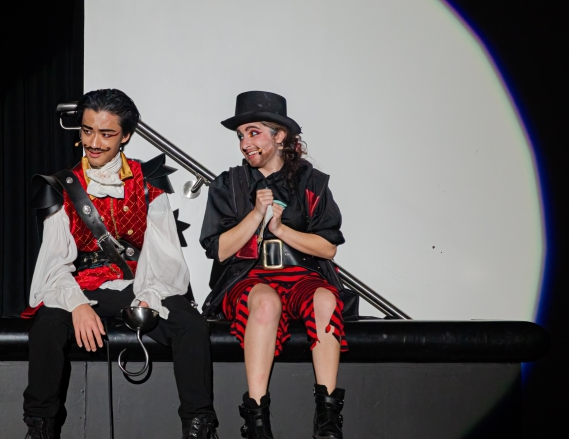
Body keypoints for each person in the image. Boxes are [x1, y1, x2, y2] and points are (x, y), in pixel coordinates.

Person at [22, 89, 218, 439]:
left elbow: (165, 254)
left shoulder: (149, 183)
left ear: (126, 135)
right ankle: (39, 429)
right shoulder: (62, 187)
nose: (93, 142)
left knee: (191, 325)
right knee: (47, 324)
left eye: (106, 133)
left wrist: (149, 295)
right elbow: (53, 265)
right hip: (84, 287)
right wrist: (78, 305)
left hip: (138, 284)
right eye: (86, 131)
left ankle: (199, 427)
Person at [200, 91, 349, 439]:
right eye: (241, 136)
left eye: (253, 133)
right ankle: (256, 418)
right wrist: (255, 216)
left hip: (300, 276)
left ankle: (327, 416)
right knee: (267, 301)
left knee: (326, 300)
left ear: (280, 135)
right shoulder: (229, 184)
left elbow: (327, 248)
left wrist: (282, 230)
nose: (245, 143)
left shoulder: (311, 183)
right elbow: (219, 250)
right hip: (246, 278)